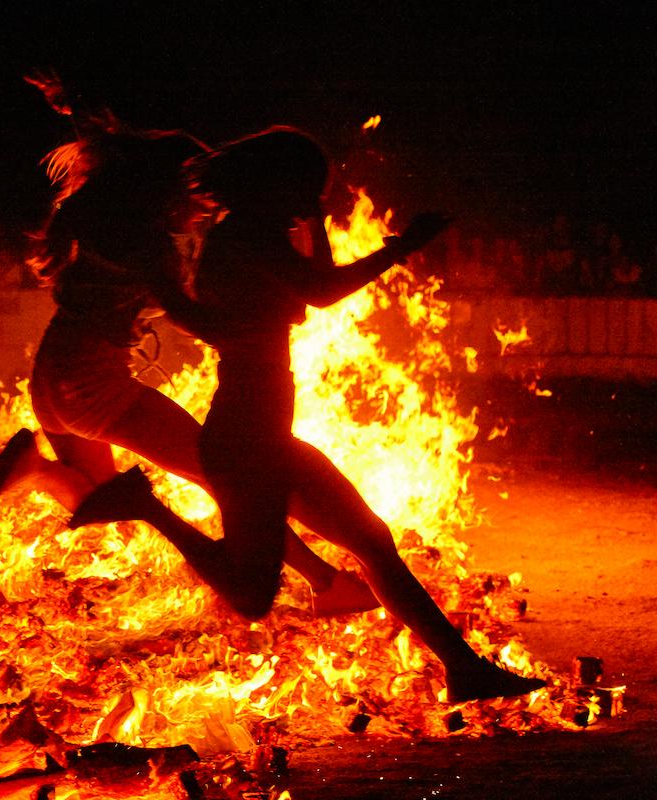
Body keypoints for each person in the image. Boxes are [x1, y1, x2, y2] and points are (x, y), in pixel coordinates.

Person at [113, 127, 544, 702]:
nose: (316, 198)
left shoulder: (256, 233)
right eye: (310, 188)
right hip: (246, 434)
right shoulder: (244, 237)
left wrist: (314, 220)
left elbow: (307, 296)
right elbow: (320, 293)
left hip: (264, 432)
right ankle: (142, 505)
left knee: (371, 541)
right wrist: (400, 246)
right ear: (278, 185)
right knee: (252, 594)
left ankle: (464, 670)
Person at [0, 81, 376, 616]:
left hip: (52, 377)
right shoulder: (148, 240)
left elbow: (124, 156)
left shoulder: (111, 218)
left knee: (101, 497)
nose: (206, 206)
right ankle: (327, 584)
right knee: (229, 480)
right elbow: (192, 311)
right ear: (166, 189)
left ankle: (39, 470)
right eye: (198, 196)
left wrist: (77, 104)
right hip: (92, 385)